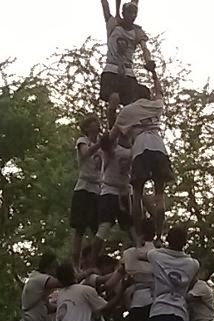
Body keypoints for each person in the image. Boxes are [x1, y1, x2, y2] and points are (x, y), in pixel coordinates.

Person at [109, 68, 174, 241]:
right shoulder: (155, 106)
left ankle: (138, 236)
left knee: (137, 194)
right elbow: (159, 92)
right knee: (159, 194)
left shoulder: (127, 111)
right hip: (159, 147)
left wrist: (112, 113)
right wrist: (154, 74)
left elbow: (111, 137)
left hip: (140, 149)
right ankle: (159, 236)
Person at [145, 223, 199, 321]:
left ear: (167, 239)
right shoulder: (193, 264)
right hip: (179, 314)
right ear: (185, 243)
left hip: (159, 312)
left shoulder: (155, 256)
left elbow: (150, 251)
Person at [99, 2, 156, 126]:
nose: (132, 15)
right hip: (112, 68)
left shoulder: (137, 31)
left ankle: (129, 129)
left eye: (134, 13)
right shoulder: (113, 25)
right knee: (114, 98)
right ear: (123, 13)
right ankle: (111, 128)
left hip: (128, 70)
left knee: (132, 104)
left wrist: (148, 61)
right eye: (129, 12)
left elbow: (144, 48)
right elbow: (104, 3)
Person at [91, 132, 133, 261]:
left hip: (122, 192)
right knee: (106, 228)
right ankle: (92, 261)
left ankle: (138, 255)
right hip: (110, 191)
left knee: (132, 228)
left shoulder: (128, 151)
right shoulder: (111, 151)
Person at [70, 115, 102, 270]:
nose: (95, 125)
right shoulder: (83, 141)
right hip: (83, 188)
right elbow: (85, 154)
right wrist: (99, 145)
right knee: (79, 229)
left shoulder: (102, 145)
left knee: (97, 229)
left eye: (96, 122)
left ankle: (92, 262)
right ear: (87, 128)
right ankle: (76, 265)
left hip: (97, 190)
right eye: (92, 123)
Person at [15, 253, 60, 321]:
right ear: (49, 267)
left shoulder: (40, 289)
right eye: (55, 267)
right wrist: (84, 274)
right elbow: (63, 282)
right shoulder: (39, 279)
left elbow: (48, 308)